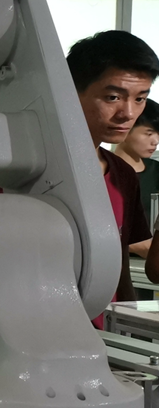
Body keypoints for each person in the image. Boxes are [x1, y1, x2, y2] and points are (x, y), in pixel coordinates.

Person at [66, 30, 159, 320]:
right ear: (70, 92)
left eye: (140, 98)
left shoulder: (123, 175)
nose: (128, 113)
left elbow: (120, 268)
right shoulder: (27, 170)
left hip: (106, 331)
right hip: (42, 329)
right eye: (113, 97)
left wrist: (126, 324)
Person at [114, 98, 159, 254]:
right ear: (124, 129)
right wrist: (142, 246)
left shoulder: (156, 171)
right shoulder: (104, 173)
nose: (156, 141)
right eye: (149, 133)